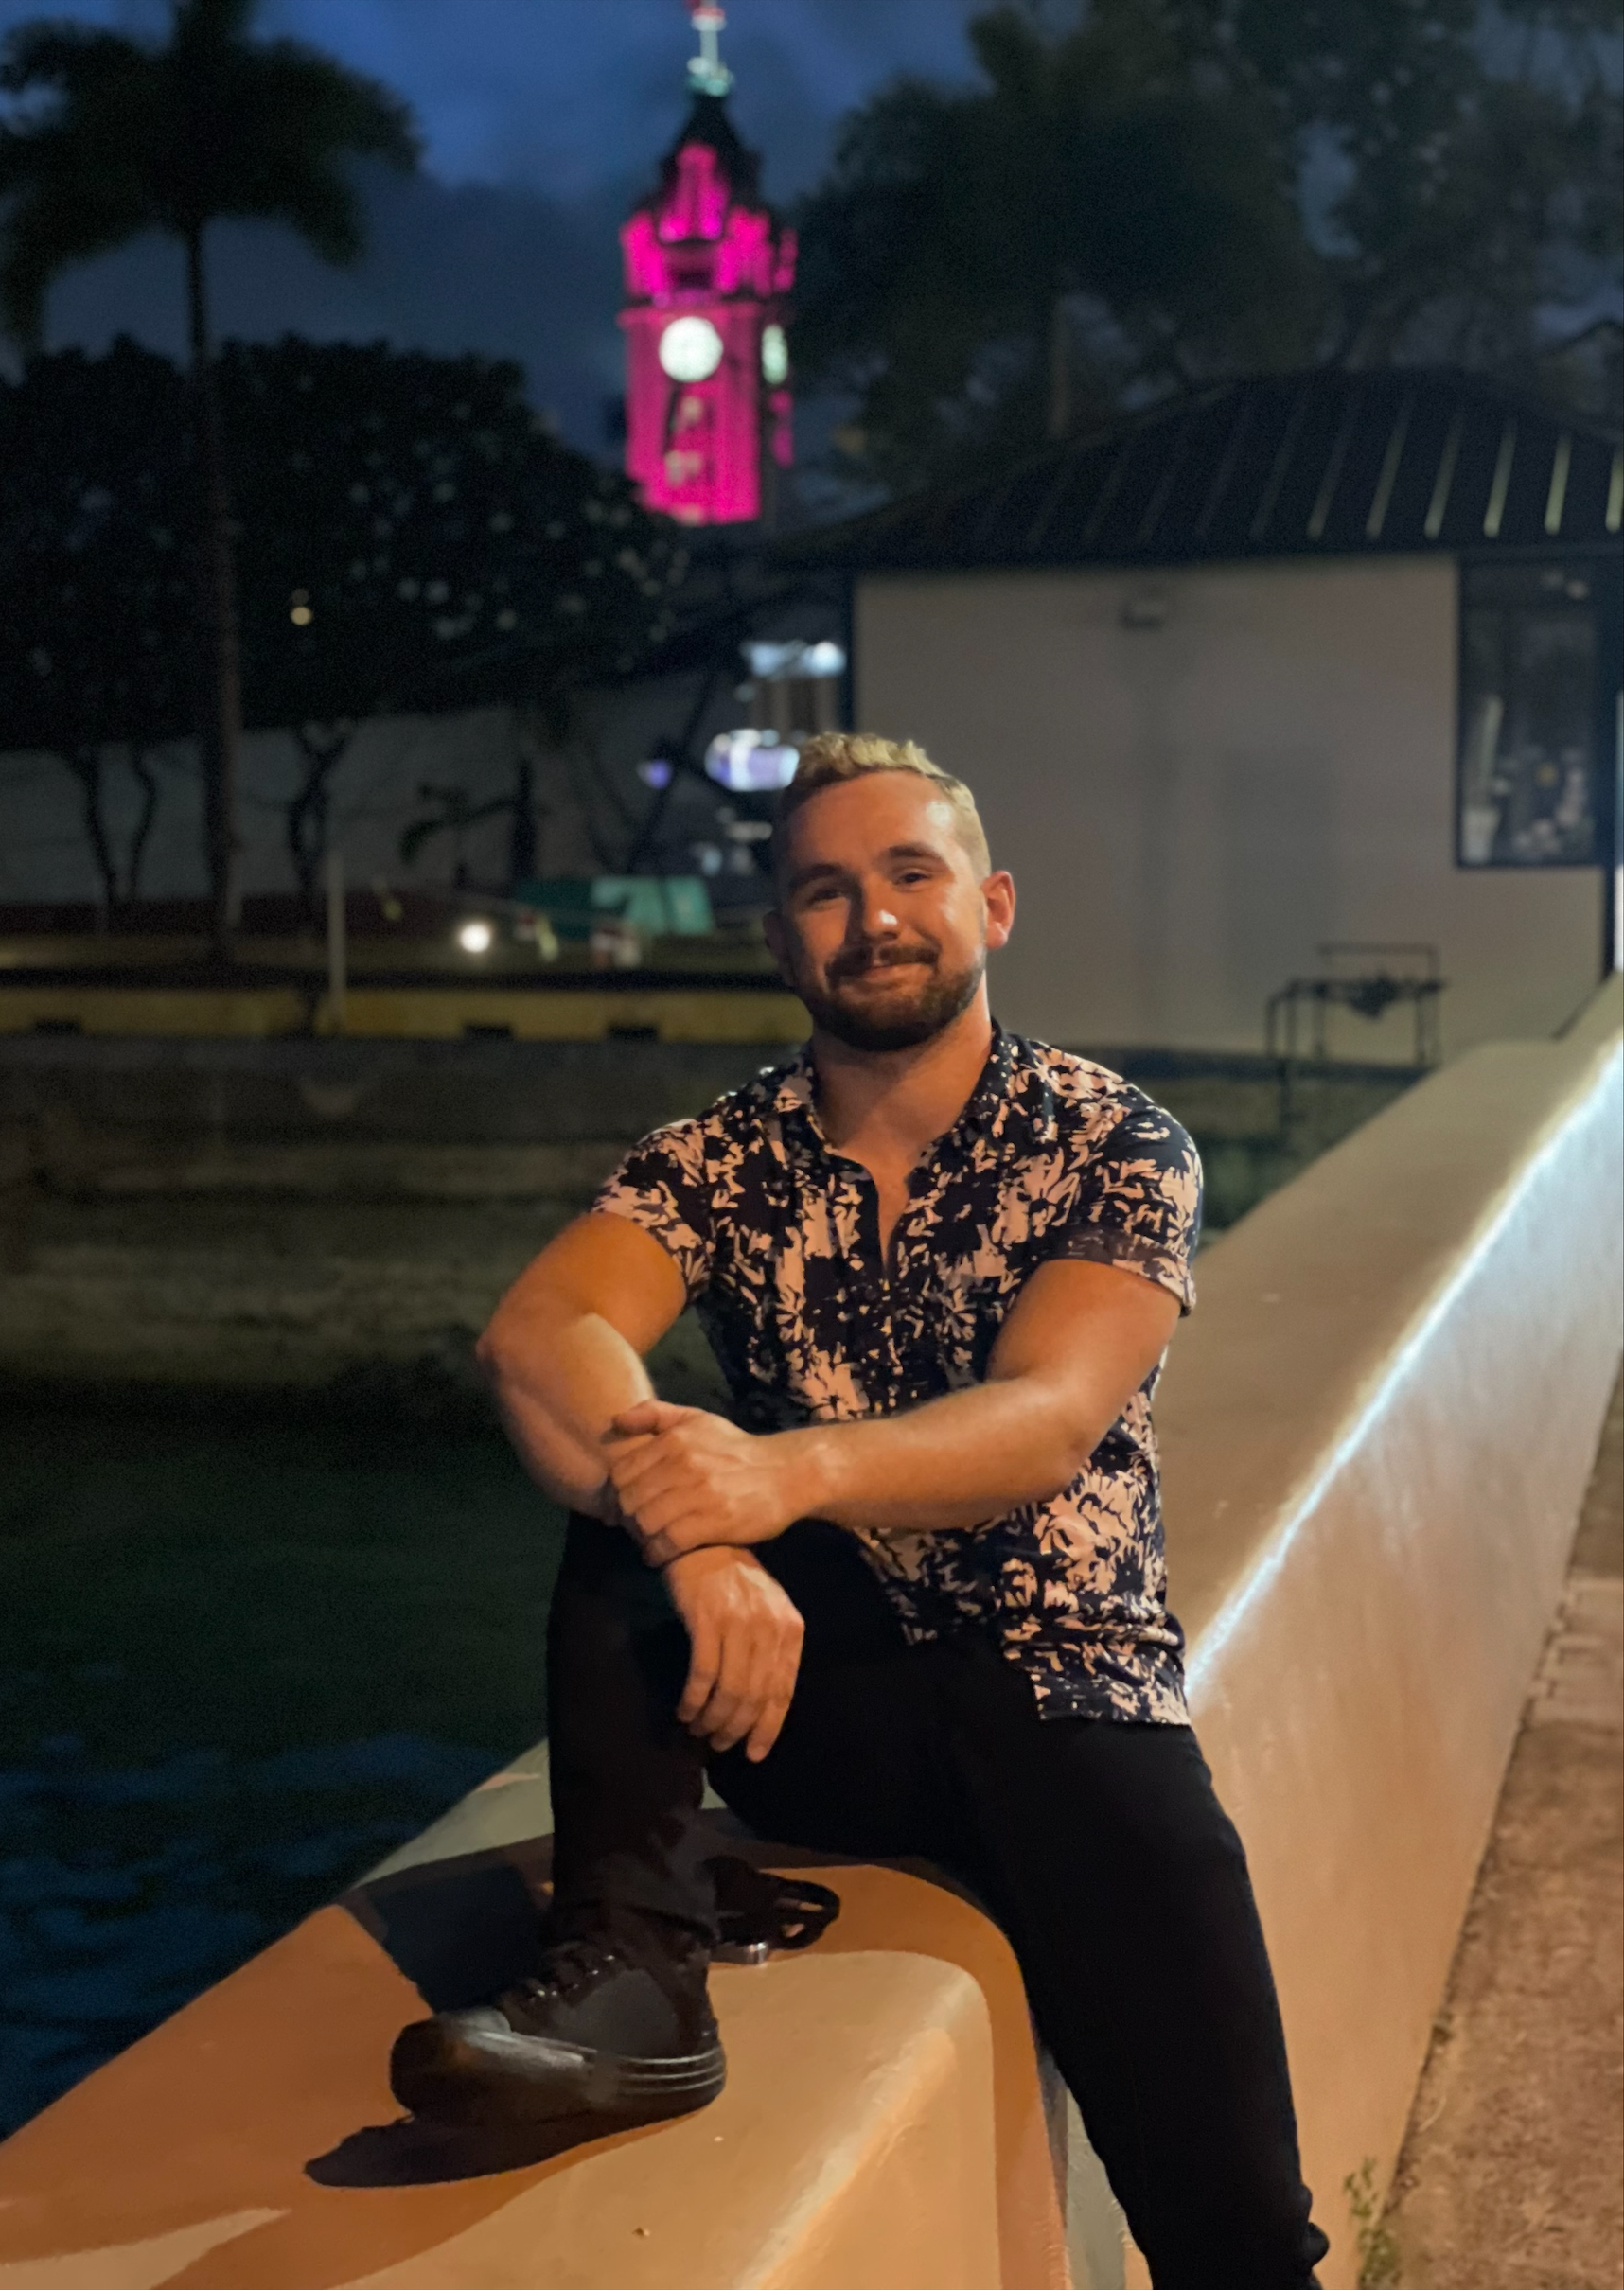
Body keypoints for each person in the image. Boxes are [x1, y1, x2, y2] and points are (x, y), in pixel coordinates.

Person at [391, 733, 1329, 2287]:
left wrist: (785, 1472)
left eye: (911, 875)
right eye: (824, 891)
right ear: (780, 940)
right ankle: (632, 1974)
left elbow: (1048, 1419)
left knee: (1237, 2230)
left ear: (993, 905)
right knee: (635, 1493)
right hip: (832, 1712)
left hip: (1065, 1692)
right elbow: (538, 1334)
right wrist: (698, 1527)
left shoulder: (1109, 1139)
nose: (873, 919)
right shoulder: (723, 1156)